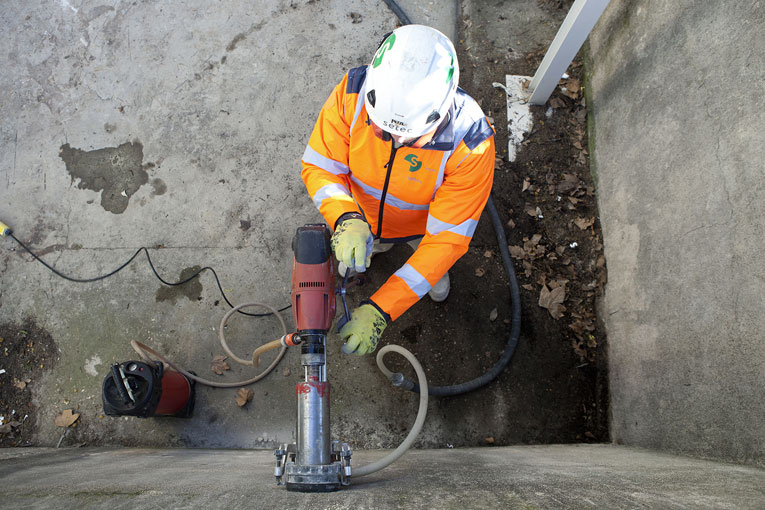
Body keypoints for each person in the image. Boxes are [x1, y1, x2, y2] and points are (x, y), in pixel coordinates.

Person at [301, 25, 495, 356]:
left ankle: (423, 274)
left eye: (411, 140)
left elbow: (444, 240)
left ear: (439, 116)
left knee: (432, 262)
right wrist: (345, 216)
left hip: (423, 231)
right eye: (381, 130)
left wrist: (382, 307)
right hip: (360, 219)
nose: (393, 142)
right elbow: (321, 166)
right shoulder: (352, 95)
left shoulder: (471, 146)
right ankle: (369, 244)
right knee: (361, 251)